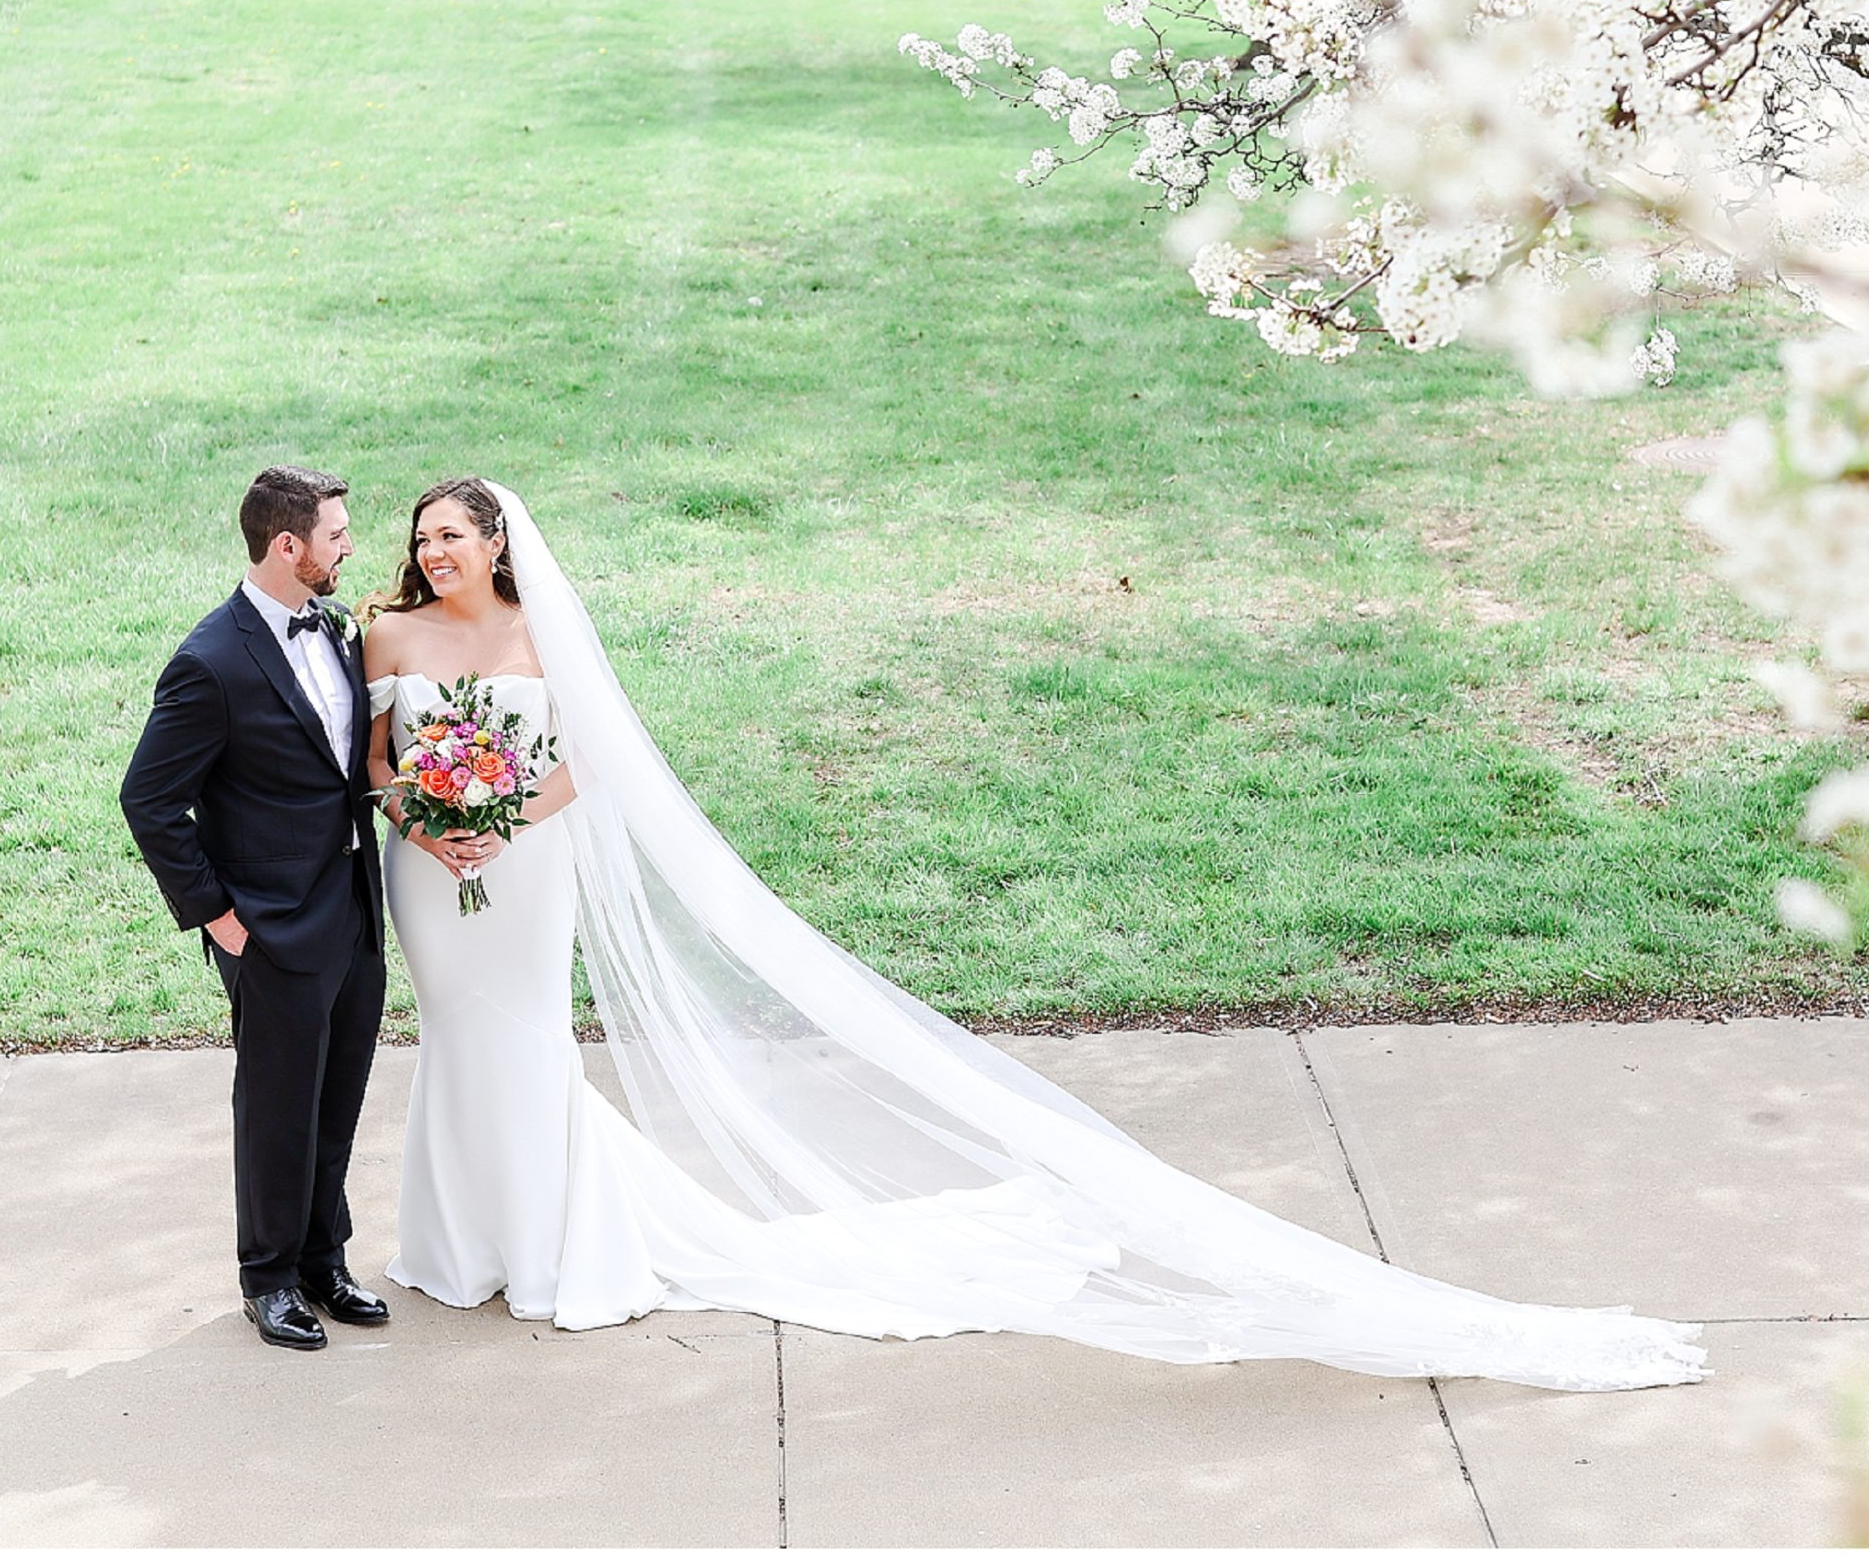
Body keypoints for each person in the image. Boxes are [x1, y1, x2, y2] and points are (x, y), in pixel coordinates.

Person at [362, 475, 1708, 1392]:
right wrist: (428, 819)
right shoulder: (387, 629)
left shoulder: (545, 630)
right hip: (427, 871)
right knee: (457, 1041)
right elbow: (375, 758)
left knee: (530, 1038)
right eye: (423, 538)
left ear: (499, 542)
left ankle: (549, 1247)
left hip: (524, 868)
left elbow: (587, 765)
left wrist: (498, 814)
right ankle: (461, 1240)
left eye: (452, 536)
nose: (434, 554)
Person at [120, 466, 394, 1351]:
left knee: (338, 1091)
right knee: (276, 1105)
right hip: (270, 926)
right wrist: (219, 918)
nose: (349, 544)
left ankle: (324, 1257)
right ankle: (268, 1277)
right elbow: (149, 800)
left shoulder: (340, 627)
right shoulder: (211, 661)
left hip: (352, 907)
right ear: (289, 545)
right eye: (337, 533)